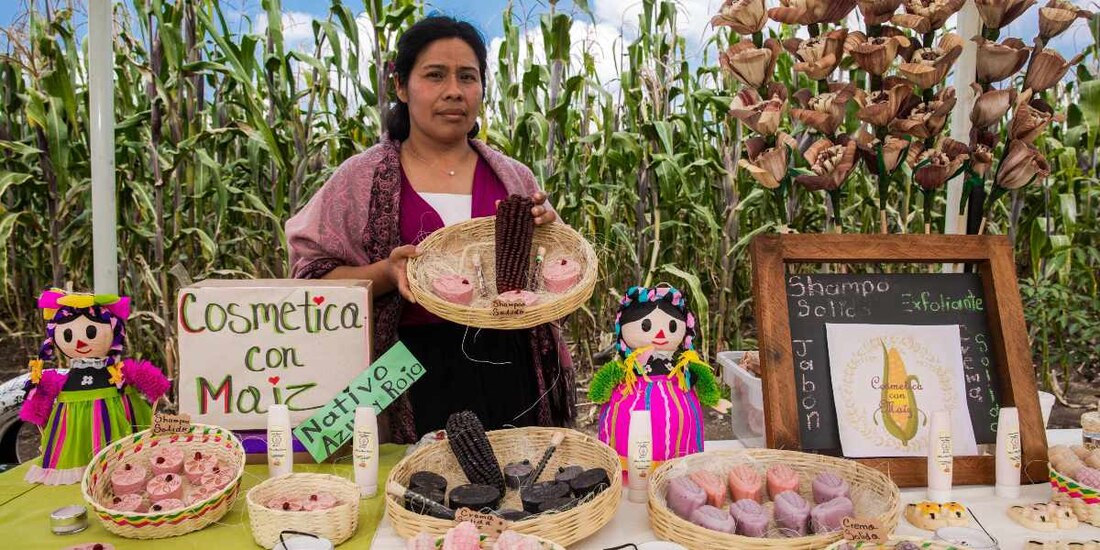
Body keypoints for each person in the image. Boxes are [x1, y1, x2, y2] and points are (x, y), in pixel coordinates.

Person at [286, 16, 574, 443]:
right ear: (401, 86)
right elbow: (309, 280)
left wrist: (550, 242)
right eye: (435, 75)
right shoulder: (360, 179)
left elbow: (559, 279)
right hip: (406, 372)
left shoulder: (513, 178)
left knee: (521, 493)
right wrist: (387, 271)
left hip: (512, 366)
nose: (454, 91)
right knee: (422, 498)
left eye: (467, 77)